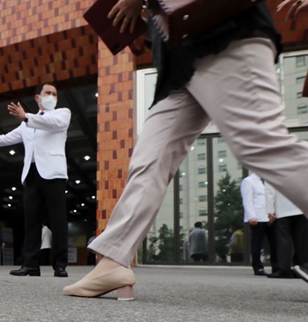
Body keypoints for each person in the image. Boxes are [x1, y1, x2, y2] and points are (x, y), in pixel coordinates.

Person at [63, 1, 308, 299]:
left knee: (262, 145)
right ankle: (112, 260)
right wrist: (146, 31)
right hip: (180, 62)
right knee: (150, 160)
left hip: (222, 34)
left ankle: (113, 259)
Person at [0, 83, 70, 278]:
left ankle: (60, 265)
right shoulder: (25, 125)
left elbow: (54, 125)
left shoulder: (62, 113)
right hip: (31, 174)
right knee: (31, 222)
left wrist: (27, 117)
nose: (51, 96)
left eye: (54, 94)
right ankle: (31, 265)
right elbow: (5, 139)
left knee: (58, 220)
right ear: (37, 97)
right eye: (47, 93)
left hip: (53, 173)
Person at [265, 182, 308, 279]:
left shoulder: (273, 167)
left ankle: (284, 270)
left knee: (283, 240)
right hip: (302, 207)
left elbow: (270, 190)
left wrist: (270, 210)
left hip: (283, 208)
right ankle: (302, 269)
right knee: (302, 241)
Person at [241, 172, 275, 275]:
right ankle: (258, 267)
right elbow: (247, 200)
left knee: (275, 243)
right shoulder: (248, 181)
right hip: (258, 217)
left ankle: (277, 267)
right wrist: (251, 216)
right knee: (257, 244)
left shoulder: (269, 181)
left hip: (271, 218)